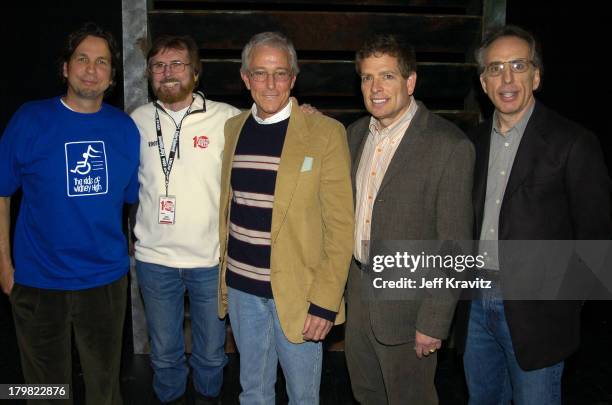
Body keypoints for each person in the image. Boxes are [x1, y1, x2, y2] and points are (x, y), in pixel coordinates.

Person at [458, 25, 612, 404]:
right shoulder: (470, 144)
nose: (506, 78)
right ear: (483, 81)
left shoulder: (574, 142)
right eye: (495, 68)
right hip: (475, 308)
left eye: (518, 65)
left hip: (538, 316)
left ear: (537, 76)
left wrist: (560, 306)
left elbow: (596, 238)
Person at [0, 23, 139, 405]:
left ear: (111, 76)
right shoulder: (28, 120)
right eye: (82, 59)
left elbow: (130, 201)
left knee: (105, 386)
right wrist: (4, 264)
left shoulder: (124, 129)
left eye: (101, 62)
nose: (91, 69)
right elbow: (2, 193)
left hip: (105, 282)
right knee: (42, 389)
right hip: (37, 281)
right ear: (65, 68)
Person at [217, 31, 353, 404]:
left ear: (294, 78)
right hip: (244, 290)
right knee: (253, 392)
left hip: (298, 295)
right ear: (246, 79)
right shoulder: (233, 129)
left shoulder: (324, 133)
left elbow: (341, 227)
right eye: (260, 73)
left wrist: (325, 301)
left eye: (281, 73)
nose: (271, 83)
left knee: (303, 396)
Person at [344, 34, 475, 404]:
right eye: (367, 78)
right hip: (359, 296)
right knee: (366, 394)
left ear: (410, 81)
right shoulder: (355, 135)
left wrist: (434, 322)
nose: (375, 88)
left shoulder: (448, 146)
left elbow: (455, 245)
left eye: (386, 76)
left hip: (410, 308)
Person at [130, 35, 240, 405]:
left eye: (177, 64)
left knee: (211, 354)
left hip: (210, 260)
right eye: (158, 66)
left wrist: (304, 113)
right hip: (154, 260)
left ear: (196, 71)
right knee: (164, 356)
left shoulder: (226, 119)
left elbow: (276, 131)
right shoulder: (137, 120)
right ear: (149, 75)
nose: (167, 73)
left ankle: (208, 398)